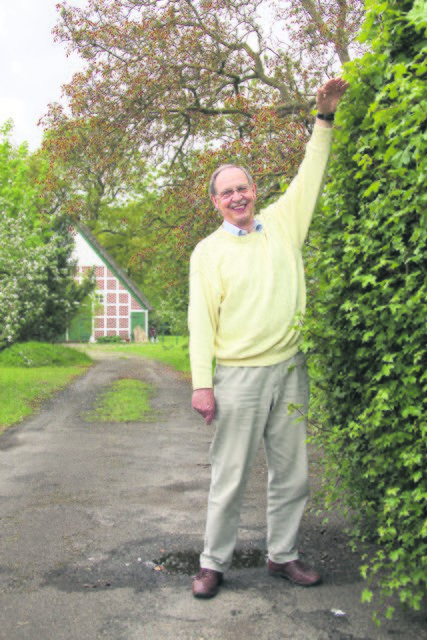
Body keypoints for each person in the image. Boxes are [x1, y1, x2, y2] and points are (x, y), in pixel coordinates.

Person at [188, 78, 349, 598]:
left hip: (289, 369)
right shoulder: (207, 252)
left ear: (255, 191)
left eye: (244, 187)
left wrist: (323, 119)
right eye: (227, 191)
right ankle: (213, 563)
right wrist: (202, 383)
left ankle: (283, 556)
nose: (238, 196)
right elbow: (199, 323)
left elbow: (311, 173)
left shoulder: (284, 224)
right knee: (229, 476)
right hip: (237, 377)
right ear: (216, 202)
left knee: (292, 473)